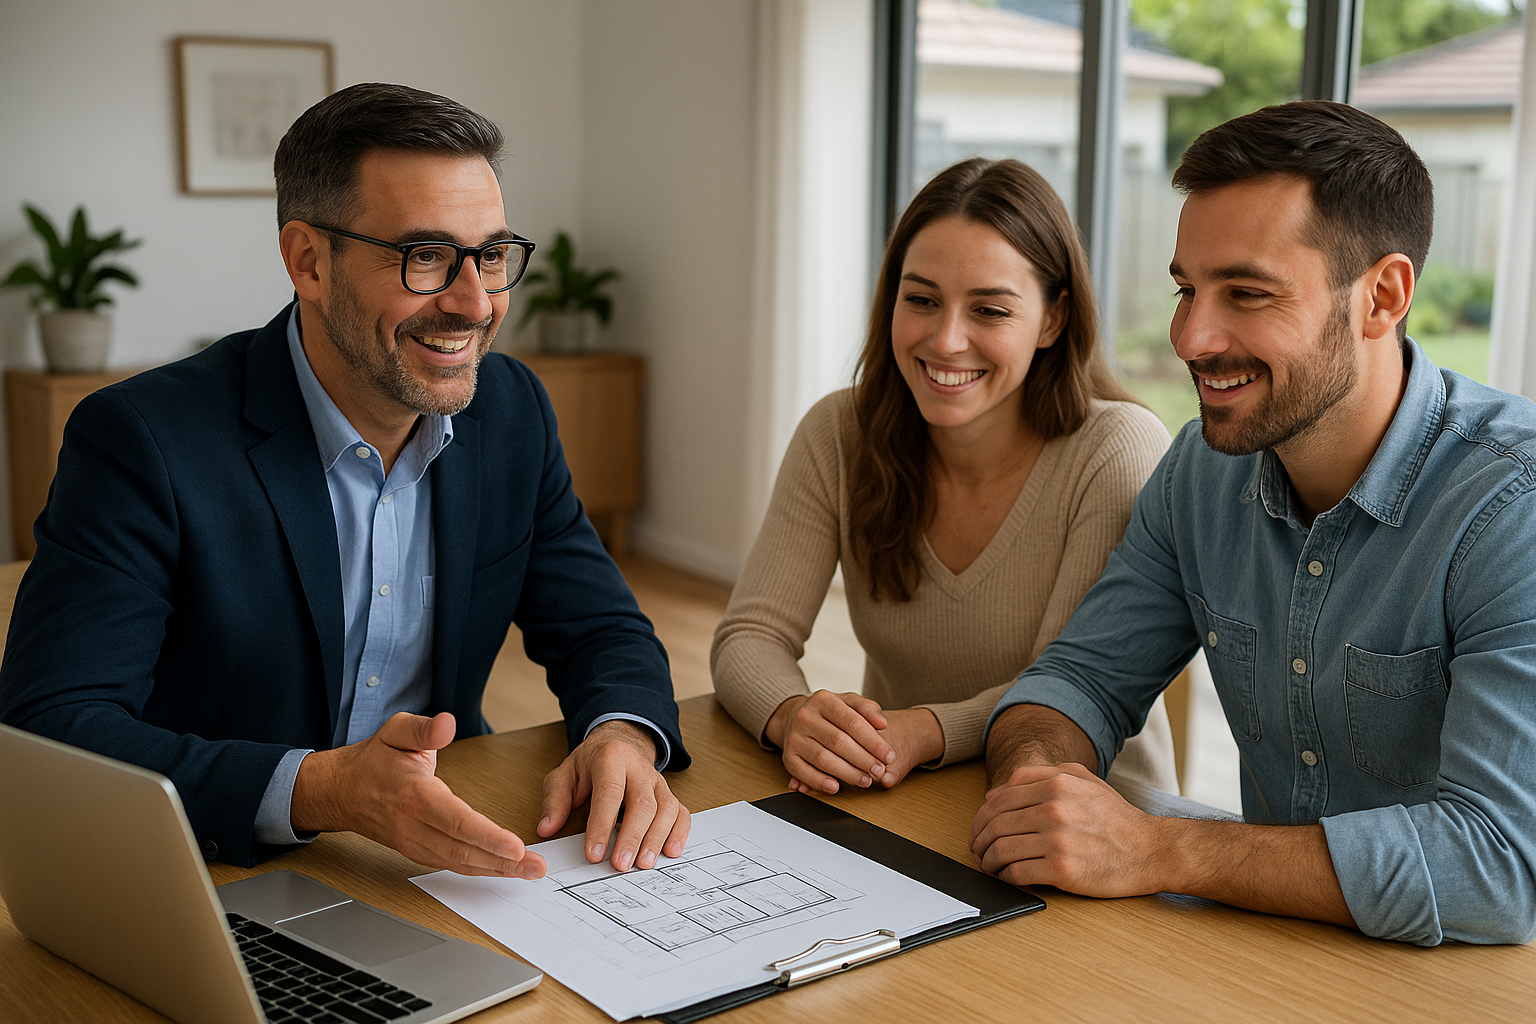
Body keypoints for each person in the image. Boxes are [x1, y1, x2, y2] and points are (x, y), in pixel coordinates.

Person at [0, 83, 690, 880]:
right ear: (307, 261)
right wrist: (323, 790)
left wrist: (621, 733)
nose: (475, 303)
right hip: (217, 867)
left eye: (492, 256)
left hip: (439, 852)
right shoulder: (143, 440)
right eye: (425, 257)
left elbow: (602, 626)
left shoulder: (512, 411)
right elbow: (51, 728)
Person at [973, 100, 1536, 946]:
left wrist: (1163, 850)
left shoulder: (1512, 508)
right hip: (1269, 957)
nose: (1191, 337)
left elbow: (1497, 868)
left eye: (1246, 292)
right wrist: (1037, 788)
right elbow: (1079, 682)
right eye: (1186, 289)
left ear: (1382, 296)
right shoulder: (1202, 470)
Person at [712, 158, 1178, 797]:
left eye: (989, 310)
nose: (947, 339)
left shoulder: (1116, 449)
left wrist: (924, 732)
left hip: (1091, 816)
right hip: (902, 800)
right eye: (922, 300)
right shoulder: (839, 432)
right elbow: (750, 636)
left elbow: (1070, 687)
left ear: (1053, 318)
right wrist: (796, 717)